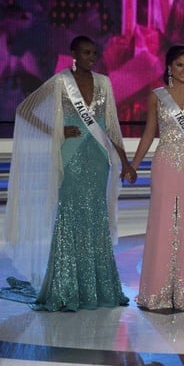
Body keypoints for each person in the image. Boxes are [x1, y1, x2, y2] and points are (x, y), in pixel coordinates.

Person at [3, 35, 134, 311]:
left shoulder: (104, 83)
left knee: (96, 216)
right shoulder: (61, 81)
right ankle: (66, 285)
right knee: (70, 215)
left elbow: (110, 125)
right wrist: (55, 132)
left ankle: (97, 286)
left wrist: (125, 161)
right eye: (86, 52)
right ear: (73, 53)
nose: (91, 57)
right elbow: (24, 110)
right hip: (71, 154)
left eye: (94, 53)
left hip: (98, 158)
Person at [130, 45, 184, 311]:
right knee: (162, 223)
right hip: (165, 163)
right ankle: (156, 292)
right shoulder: (157, 96)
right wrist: (134, 164)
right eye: (179, 64)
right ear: (169, 66)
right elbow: (148, 133)